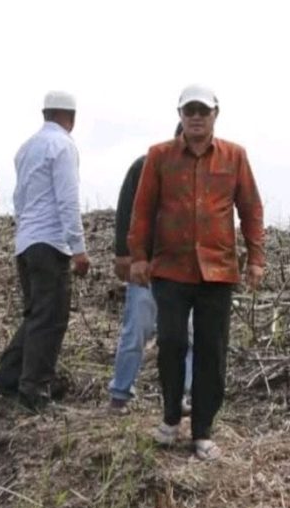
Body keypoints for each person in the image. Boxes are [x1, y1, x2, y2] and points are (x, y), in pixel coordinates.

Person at [128, 84, 265, 460]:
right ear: (180, 116)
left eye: (203, 111)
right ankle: (172, 417)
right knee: (171, 343)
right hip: (170, 269)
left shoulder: (234, 157)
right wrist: (138, 256)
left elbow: (251, 208)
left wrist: (255, 258)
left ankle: (203, 429)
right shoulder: (159, 156)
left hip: (218, 271)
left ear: (215, 115)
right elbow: (142, 210)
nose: (197, 117)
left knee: (212, 351)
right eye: (190, 111)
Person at [0, 91, 90, 411]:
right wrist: (79, 249)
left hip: (27, 242)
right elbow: (68, 199)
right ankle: (34, 391)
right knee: (52, 317)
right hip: (50, 243)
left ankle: (6, 380)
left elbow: (19, 198)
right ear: (70, 118)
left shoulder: (27, 148)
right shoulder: (63, 146)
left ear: (45, 113)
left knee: (36, 314)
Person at [108, 123, 194, 415]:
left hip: (186, 271)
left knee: (188, 336)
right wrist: (123, 254)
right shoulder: (145, 165)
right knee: (136, 332)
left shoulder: (203, 174)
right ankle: (119, 394)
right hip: (148, 267)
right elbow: (126, 209)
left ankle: (182, 395)